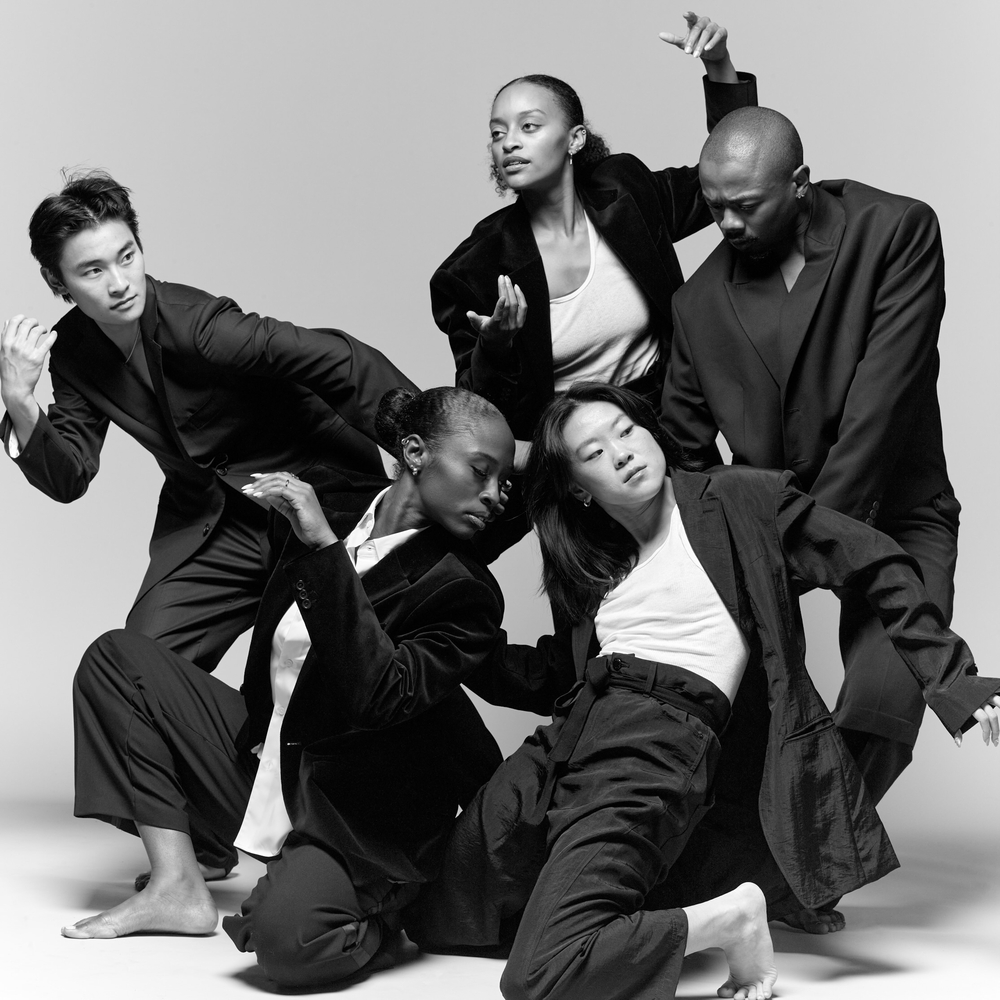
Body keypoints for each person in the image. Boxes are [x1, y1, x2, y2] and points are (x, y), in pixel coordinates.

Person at [404, 383, 999, 1000]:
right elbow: (546, 676)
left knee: (539, 973)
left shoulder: (738, 501)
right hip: (565, 741)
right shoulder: (597, 565)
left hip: (653, 744)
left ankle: (728, 920)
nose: (622, 453)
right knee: (439, 916)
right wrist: (438, 639)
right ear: (578, 488)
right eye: (593, 452)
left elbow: (875, 561)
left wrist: (952, 678)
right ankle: (610, 918)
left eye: (627, 431)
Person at [61, 387, 515, 991]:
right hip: (272, 762)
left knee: (289, 945)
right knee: (118, 661)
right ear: (414, 453)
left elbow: (379, 694)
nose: (494, 495)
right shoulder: (332, 502)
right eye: (481, 472)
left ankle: (390, 909)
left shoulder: (463, 591)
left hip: (358, 813)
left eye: (504, 483)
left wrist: (326, 550)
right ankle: (177, 885)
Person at [661, 107, 956, 819]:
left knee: (884, 705)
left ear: (799, 182)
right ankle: (720, 852)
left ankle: (805, 856)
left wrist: (807, 539)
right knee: (721, 712)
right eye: (714, 206)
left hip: (895, 513)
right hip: (769, 530)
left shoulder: (897, 230)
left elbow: (880, 409)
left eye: (745, 205)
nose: (726, 223)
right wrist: (727, 542)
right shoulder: (698, 302)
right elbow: (685, 447)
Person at [0, 170, 417, 671]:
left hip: (314, 493)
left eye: (127, 256)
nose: (119, 284)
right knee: (136, 671)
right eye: (92, 271)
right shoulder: (72, 353)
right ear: (57, 282)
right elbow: (68, 478)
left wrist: (432, 443)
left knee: (353, 663)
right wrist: (19, 399)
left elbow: (339, 360)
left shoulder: (195, 322)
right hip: (212, 524)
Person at [432, 12, 756, 557]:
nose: (509, 143)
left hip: (669, 424)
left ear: (575, 138)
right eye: (497, 133)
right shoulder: (475, 268)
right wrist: (495, 346)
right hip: (572, 460)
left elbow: (730, 172)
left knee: (720, 563)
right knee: (603, 593)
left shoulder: (625, 193)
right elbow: (481, 415)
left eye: (529, 127)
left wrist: (719, 66)